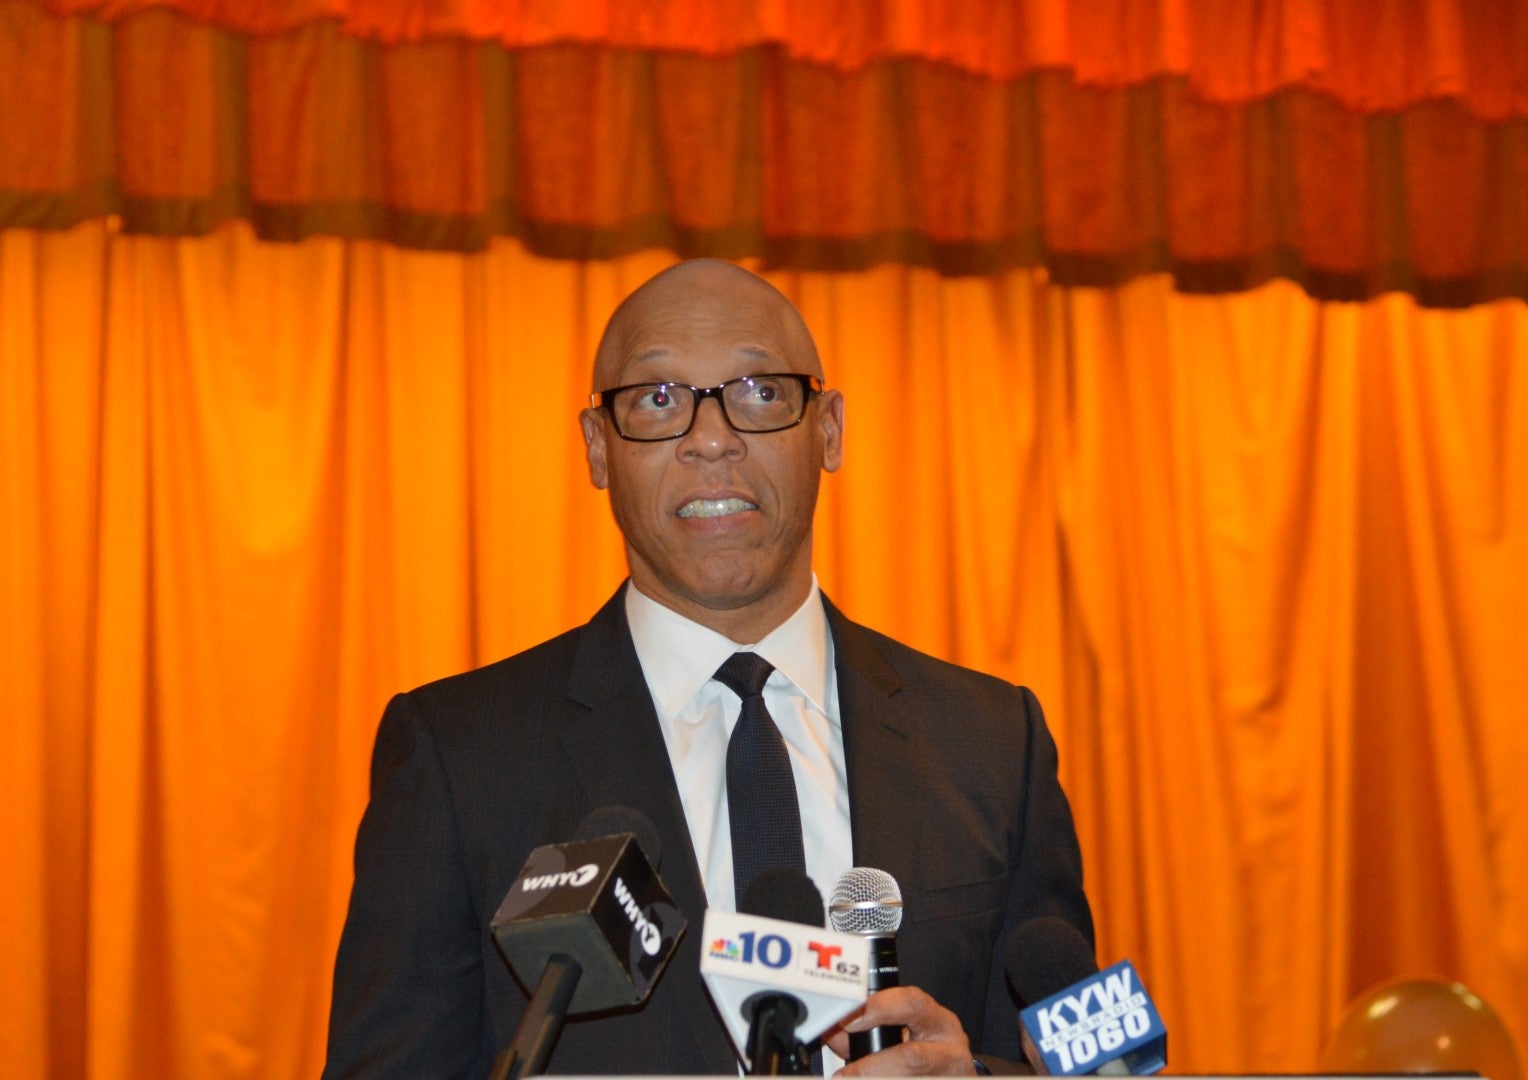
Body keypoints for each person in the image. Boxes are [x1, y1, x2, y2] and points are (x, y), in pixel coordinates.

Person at [322, 259, 1095, 1078]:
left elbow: (1091, 1068)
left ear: (828, 429)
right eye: (658, 401)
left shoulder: (989, 745)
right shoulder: (461, 756)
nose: (712, 438)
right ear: (597, 449)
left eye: (760, 390)